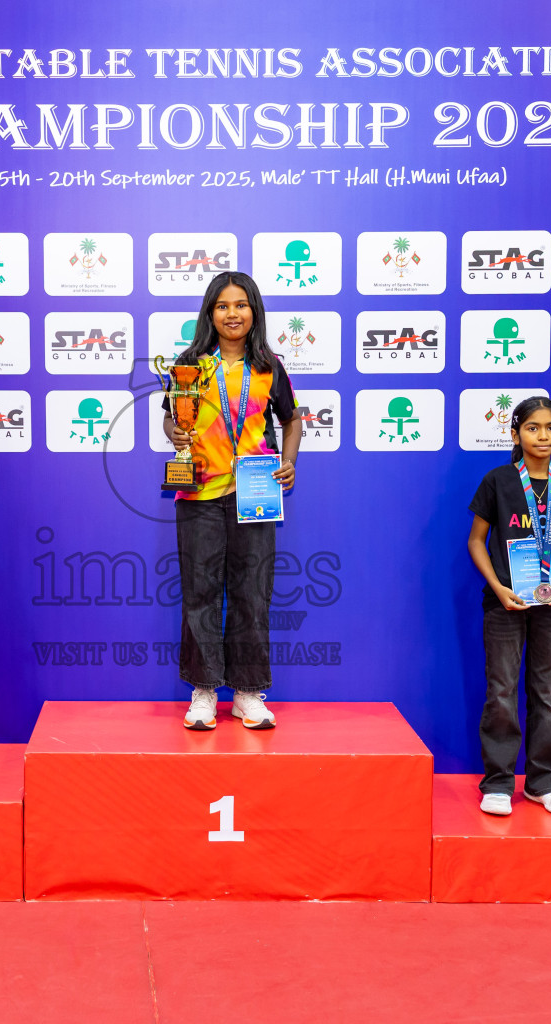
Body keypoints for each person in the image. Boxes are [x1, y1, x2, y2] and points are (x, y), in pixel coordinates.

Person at [162, 271, 301, 731]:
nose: (232, 313)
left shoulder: (269, 366)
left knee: (251, 594)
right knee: (199, 593)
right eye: (222, 306)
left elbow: (292, 419)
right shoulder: (189, 364)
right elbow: (171, 420)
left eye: (241, 305)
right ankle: (203, 691)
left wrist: (289, 461)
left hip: (255, 493)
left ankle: (247, 693)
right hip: (199, 493)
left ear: (254, 312)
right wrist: (176, 433)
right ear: (210, 313)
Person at [466, 397, 551, 815]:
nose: (543, 436)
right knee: (501, 691)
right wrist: (498, 587)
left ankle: (544, 783)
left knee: (544, 694)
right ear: (515, 433)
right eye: (533, 428)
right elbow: (476, 541)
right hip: (504, 604)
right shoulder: (498, 481)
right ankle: (498, 784)